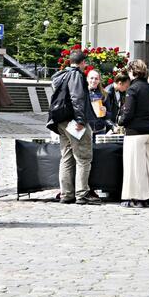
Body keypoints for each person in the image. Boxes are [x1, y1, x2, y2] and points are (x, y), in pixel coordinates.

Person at [48, 50, 102, 205]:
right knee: (83, 157)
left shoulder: (60, 75)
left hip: (60, 120)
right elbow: (77, 98)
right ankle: (82, 194)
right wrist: (80, 120)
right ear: (83, 63)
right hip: (74, 121)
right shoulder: (76, 75)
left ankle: (66, 194)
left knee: (66, 157)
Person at [117, 59, 149, 208]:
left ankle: (136, 198)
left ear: (132, 72)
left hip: (135, 132)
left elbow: (128, 113)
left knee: (134, 167)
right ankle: (147, 197)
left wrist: (120, 121)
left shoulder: (132, 89)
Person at [86, 69, 109, 136]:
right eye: (91, 78)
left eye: (96, 79)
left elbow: (109, 114)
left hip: (100, 130)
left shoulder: (104, 94)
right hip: (85, 130)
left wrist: (105, 112)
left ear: (99, 80)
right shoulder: (82, 93)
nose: (93, 81)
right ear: (87, 79)